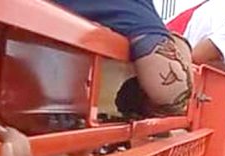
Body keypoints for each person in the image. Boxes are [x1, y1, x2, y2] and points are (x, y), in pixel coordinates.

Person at [53, 0, 193, 117]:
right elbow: (170, 92)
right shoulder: (130, 8)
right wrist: (181, 45)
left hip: (47, 117)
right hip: (71, 128)